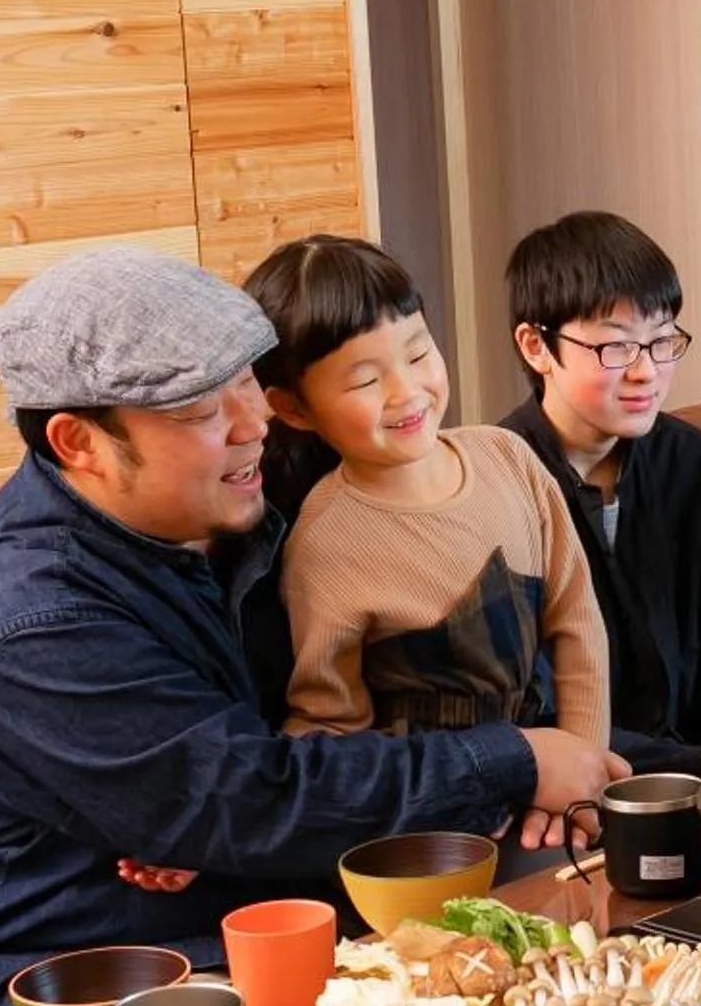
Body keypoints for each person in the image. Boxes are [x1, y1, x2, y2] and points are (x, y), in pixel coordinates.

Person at [0, 244, 619, 1006]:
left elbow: (345, 719)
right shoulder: (33, 618)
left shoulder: (234, 511)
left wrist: (578, 756)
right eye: (202, 410)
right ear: (78, 442)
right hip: (40, 991)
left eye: (247, 383)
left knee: (567, 1002)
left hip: (243, 927)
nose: (252, 422)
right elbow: (250, 797)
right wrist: (518, 757)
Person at [243, 236, 610, 763]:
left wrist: (584, 765)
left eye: (417, 353)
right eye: (366, 380)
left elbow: (578, 621)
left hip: (558, 762)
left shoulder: (509, 457)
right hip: (444, 802)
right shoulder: (325, 544)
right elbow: (331, 724)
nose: (406, 390)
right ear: (295, 409)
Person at [498, 210, 701, 776]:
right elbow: (537, 712)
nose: (647, 372)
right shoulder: (499, 488)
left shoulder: (698, 467)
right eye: (616, 349)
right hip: (576, 782)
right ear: (537, 346)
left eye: (662, 341)